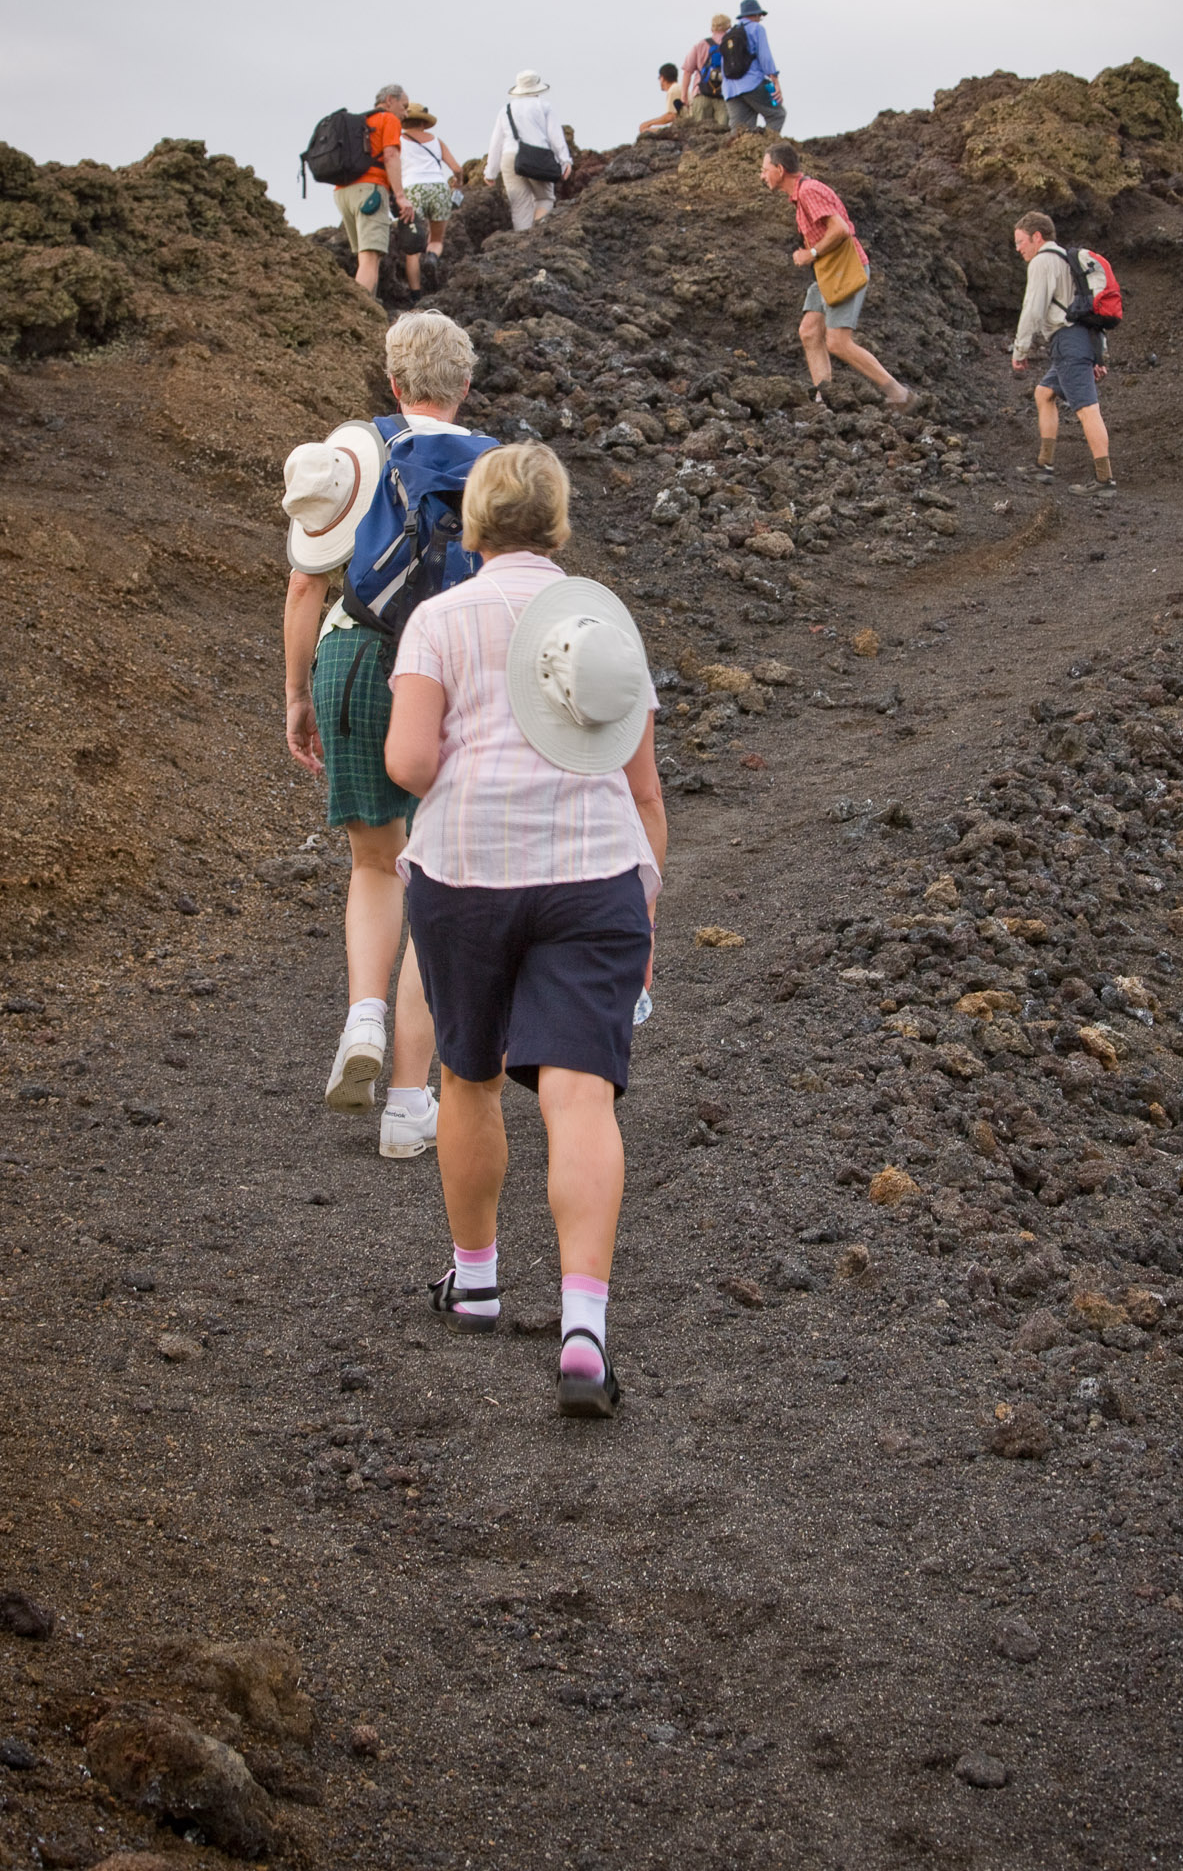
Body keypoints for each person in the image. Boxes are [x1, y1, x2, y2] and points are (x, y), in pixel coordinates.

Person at [383, 442, 667, 1420]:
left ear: (472, 524)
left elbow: (411, 763)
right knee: (581, 1093)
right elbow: (643, 787)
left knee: (467, 1075)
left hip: (465, 872)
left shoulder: (436, 620)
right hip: (593, 875)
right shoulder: (602, 621)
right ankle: (582, 1326)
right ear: (557, 522)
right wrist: (647, 901)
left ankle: (476, 1279)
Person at [281, 311, 500, 1159]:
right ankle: (410, 1106)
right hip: (452, 674)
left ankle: (362, 1017)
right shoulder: (497, 468)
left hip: (355, 656)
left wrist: (298, 696)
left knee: (376, 864)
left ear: (395, 384)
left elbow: (306, 589)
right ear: (466, 386)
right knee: (437, 880)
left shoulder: (358, 454)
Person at [759, 142, 914, 411]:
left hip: (843, 270)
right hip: (828, 272)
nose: (762, 176)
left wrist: (810, 253)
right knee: (809, 331)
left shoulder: (808, 191)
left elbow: (841, 229)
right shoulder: (802, 194)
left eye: (764, 169)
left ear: (780, 170)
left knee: (838, 342)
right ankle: (824, 399)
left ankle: (899, 393)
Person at [1009, 210, 1114, 489]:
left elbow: (1033, 309)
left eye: (1021, 241)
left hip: (1068, 341)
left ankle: (1105, 481)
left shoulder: (1043, 261)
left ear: (1037, 237)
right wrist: (1096, 354)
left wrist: (1020, 350)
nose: (1018, 249)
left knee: (1087, 409)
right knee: (1044, 393)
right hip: (1076, 341)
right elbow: (1086, 312)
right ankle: (1044, 466)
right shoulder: (1067, 260)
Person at [334, 85, 415, 298]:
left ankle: (365, 311)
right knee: (370, 258)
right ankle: (356, 314)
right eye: (404, 106)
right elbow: (390, 156)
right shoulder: (388, 120)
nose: (406, 113)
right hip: (370, 192)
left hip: (343, 192)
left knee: (365, 258)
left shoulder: (362, 123)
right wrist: (400, 196)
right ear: (389, 100)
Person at [484, 71, 572, 234]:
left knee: (519, 206)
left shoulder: (506, 109)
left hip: (509, 157)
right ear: (537, 88)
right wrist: (565, 160)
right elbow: (555, 136)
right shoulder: (544, 106)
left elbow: (496, 142)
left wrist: (491, 172)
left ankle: (521, 247)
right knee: (545, 199)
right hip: (537, 156)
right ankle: (535, 237)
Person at [396, 102, 462, 304]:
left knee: (412, 247)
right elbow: (457, 169)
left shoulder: (399, 140)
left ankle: (416, 295)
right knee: (436, 240)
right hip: (438, 187)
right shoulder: (436, 141)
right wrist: (457, 184)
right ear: (425, 123)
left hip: (412, 189)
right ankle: (432, 257)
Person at [723, 0, 785, 136]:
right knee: (777, 115)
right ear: (756, 15)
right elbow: (765, 57)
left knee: (740, 131)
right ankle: (767, 151)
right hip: (752, 83)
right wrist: (775, 79)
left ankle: (737, 156)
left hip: (730, 90)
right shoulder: (757, 29)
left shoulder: (729, 34)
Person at [681, 15, 731, 131]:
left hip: (701, 94)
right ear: (728, 27)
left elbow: (687, 71)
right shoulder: (730, 46)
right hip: (723, 95)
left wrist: (684, 96)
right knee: (722, 134)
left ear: (712, 28)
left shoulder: (700, 45)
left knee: (699, 133)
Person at [637, 64, 685, 137]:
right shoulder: (679, 88)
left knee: (646, 131)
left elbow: (671, 116)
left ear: (662, 78)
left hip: (683, 127)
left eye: (659, 78)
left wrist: (648, 123)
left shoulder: (673, 90)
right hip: (684, 124)